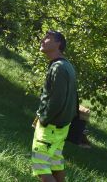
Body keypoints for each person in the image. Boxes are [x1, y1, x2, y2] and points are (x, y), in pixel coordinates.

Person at [31, 30, 77, 182]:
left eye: (47, 38)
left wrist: (43, 118)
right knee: (55, 163)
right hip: (61, 127)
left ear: (58, 44)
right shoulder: (67, 65)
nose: (42, 40)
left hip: (51, 127)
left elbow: (56, 100)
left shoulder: (58, 68)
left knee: (40, 165)